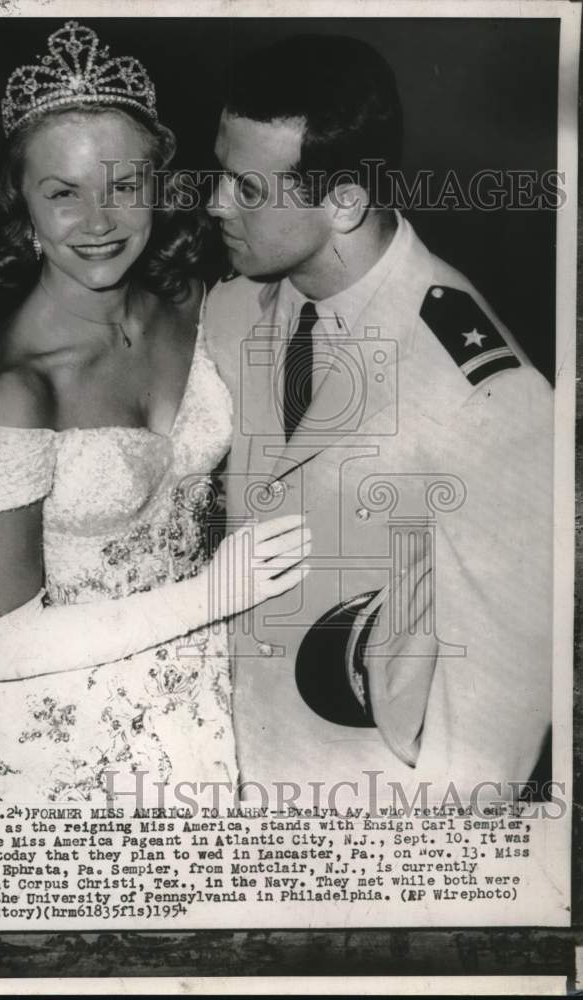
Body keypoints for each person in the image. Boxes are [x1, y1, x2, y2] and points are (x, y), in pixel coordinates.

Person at [0, 21, 310, 804]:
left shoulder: (192, 303)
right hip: (48, 735)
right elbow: (5, 642)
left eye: (124, 186)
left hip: (205, 699)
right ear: (19, 205)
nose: (100, 221)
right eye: (63, 194)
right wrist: (211, 597)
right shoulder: (15, 388)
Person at [203, 34, 553, 803]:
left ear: (345, 200)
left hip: (365, 815)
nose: (214, 204)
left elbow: (491, 729)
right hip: (223, 784)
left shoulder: (483, 393)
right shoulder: (232, 309)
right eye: (220, 176)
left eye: (248, 189)